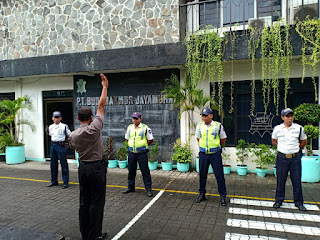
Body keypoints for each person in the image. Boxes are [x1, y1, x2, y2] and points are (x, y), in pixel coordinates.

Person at [68, 73, 109, 240]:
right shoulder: (95, 128)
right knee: (97, 202)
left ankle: (85, 234)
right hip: (97, 168)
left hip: (83, 168)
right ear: (91, 118)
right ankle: (96, 235)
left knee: (84, 201)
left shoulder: (72, 135)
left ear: (78, 118)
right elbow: (101, 106)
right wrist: (105, 87)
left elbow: (71, 146)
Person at [272, 108, 308, 211]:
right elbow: (274, 141)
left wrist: (295, 148)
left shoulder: (298, 128)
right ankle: (278, 200)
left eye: (291, 116)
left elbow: (303, 141)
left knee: (296, 180)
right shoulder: (277, 128)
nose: (290, 118)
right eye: (287, 116)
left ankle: (299, 202)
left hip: (295, 158)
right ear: (282, 117)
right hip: (282, 157)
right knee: (280, 180)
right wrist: (282, 147)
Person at [195, 108, 228, 206]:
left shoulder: (218, 126)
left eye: (206, 115)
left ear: (211, 116)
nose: (204, 118)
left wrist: (215, 147)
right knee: (202, 175)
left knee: (219, 175)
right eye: (203, 116)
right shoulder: (199, 126)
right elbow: (198, 138)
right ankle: (202, 194)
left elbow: (223, 138)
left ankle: (222, 196)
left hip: (215, 154)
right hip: (203, 154)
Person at [122, 112, 154, 197]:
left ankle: (148, 189)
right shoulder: (129, 127)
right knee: (131, 171)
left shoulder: (145, 128)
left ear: (140, 119)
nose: (134, 120)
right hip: (132, 152)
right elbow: (127, 138)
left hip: (142, 153)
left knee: (145, 171)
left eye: (136, 118)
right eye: (133, 118)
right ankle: (130, 187)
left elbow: (150, 140)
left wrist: (143, 146)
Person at [47, 111, 71, 189]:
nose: (56, 119)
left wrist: (67, 144)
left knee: (63, 164)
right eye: (55, 117)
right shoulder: (50, 127)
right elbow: (51, 135)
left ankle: (65, 182)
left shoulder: (64, 126)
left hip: (61, 145)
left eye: (58, 117)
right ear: (52, 118)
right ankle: (54, 181)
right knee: (53, 164)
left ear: (60, 118)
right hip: (53, 145)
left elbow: (69, 135)